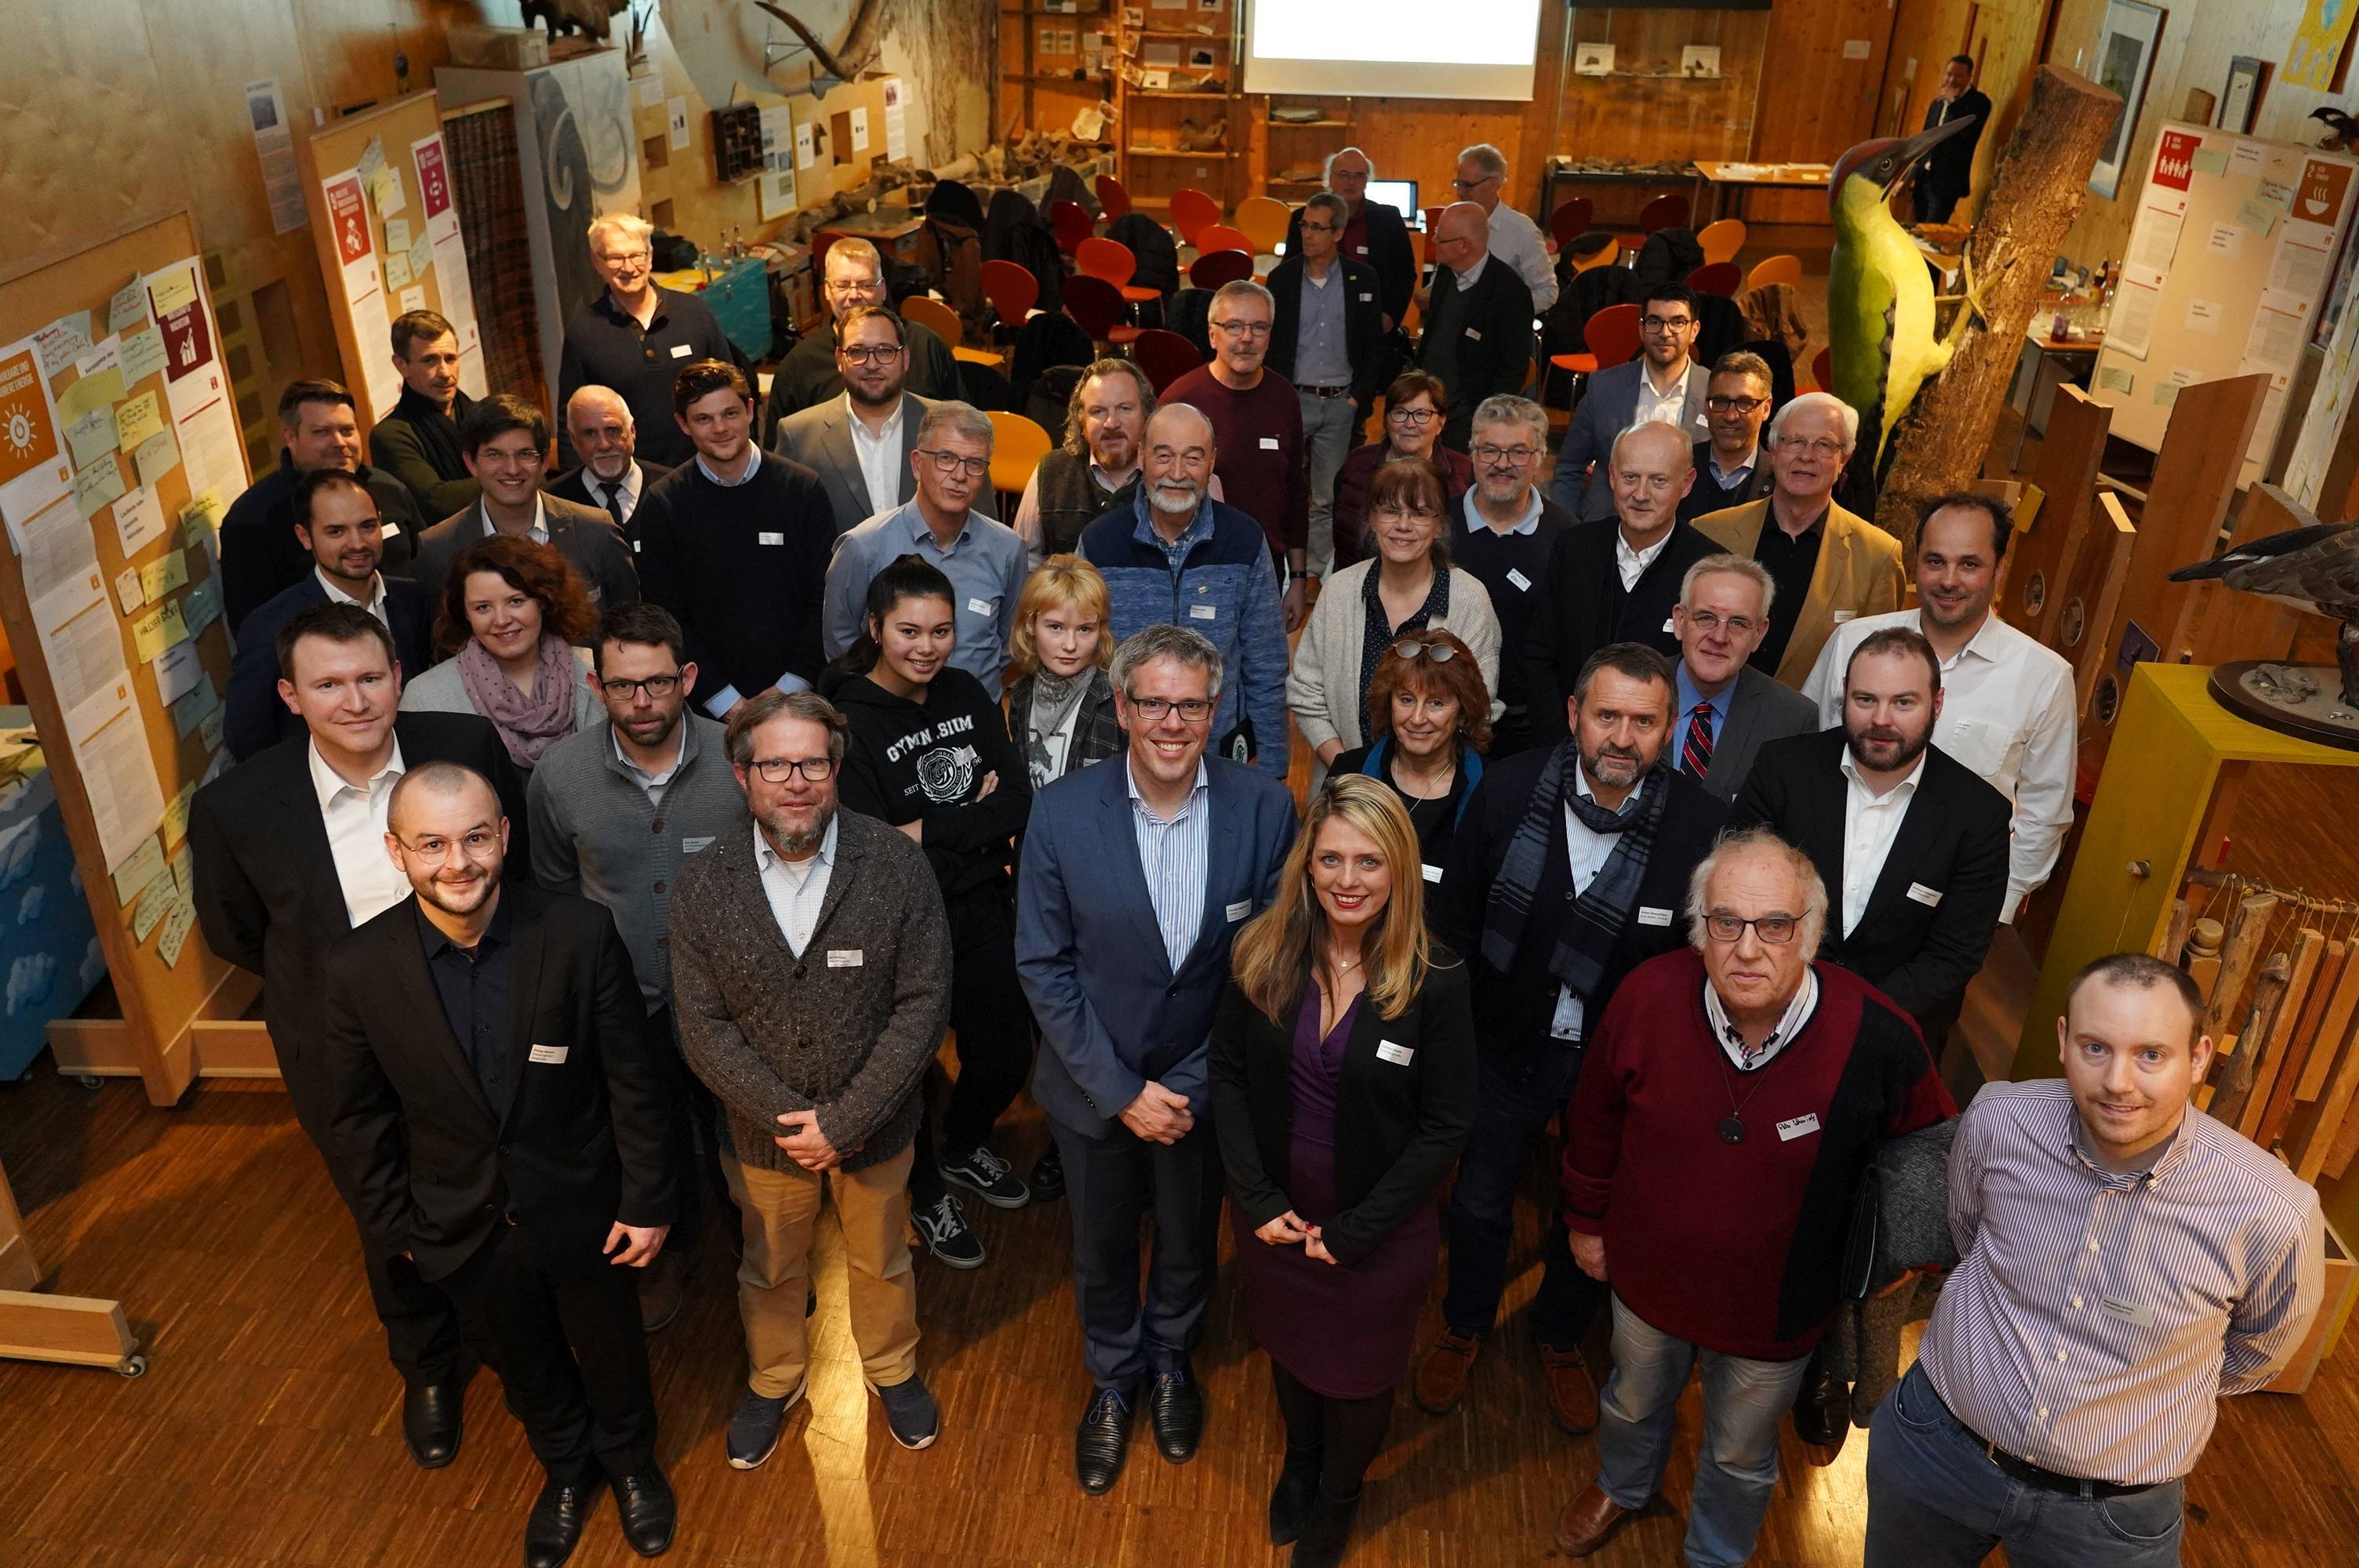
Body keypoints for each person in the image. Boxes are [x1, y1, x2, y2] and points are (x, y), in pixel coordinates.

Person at [190, 603, 528, 1483]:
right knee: (386, 1209)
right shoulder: (238, 804)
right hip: (343, 1051)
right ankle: (425, 1367)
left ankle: (522, 1341)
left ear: (398, 674)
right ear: (289, 695)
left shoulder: (464, 743)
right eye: (327, 684)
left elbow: (513, 868)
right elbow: (236, 932)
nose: (355, 699)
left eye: (370, 676)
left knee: (504, 1179)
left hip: (480, 1013)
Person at [1554, 828, 1954, 1564]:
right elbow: (1593, 1121)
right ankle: (1625, 1482)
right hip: (1648, 1279)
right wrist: (1585, 1223)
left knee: (1740, 1453)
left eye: (1775, 926)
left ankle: (1715, 1553)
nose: (1747, 948)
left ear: (1811, 935)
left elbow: (1931, 1148)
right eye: (1726, 922)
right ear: (1699, 929)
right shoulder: (1646, 997)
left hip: (1778, 1307)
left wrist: (1895, 1259)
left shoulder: (1879, 1035)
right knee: (1632, 1400)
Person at [320, 761, 678, 1568]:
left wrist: (648, 1199)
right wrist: (398, 1232)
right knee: (523, 1363)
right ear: (396, 851)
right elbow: (359, 1121)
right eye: (433, 843)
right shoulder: (355, 970)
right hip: (457, 1224)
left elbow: (633, 1080)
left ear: (505, 837)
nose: (459, 862)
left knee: (614, 1349)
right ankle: (565, 1470)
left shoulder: (579, 933)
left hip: (587, 1209)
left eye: (476, 837)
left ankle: (629, 1466)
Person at [1863, 953, 2325, 1568]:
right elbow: (1968, 1234)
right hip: (1936, 1451)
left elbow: (2256, 1354)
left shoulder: (2273, 1212)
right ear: (2063, 1041)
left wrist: (2150, 1387)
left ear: (2199, 1057)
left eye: (2151, 1055)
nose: (2118, 1082)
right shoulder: (1999, 1120)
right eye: (2096, 1048)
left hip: (2109, 1518)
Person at [1015, 624, 1298, 1495]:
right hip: (1090, 1087)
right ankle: (1113, 1376)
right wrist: (1119, 1090)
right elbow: (1042, 963)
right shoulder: (1061, 812)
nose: (1170, 721)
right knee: (1099, 1248)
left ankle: (1170, 1357)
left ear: (1214, 711)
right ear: (1121, 706)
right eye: (1152, 702)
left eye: (1190, 704)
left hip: (1202, 1090)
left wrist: (1184, 1085)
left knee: (1185, 1239)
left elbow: (1270, 967)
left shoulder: (1266, 807)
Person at [1419, 644, 1728, 1436]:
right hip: (1502, 1045)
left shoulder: (1700, 827)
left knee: (1586, 1212)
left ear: (1667, 730)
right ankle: (1464, 1321)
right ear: (1573, 715)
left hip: (1617, 1069)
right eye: (1606, 715)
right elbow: (1449, 928)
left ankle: (1558, 1333)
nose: (1621, 737)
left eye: (1642, 720)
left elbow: (1703, 969)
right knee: (1482, 1198)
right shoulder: (1505, 791)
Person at [670, 689, 953, 1468]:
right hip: (761, 1139)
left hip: (879, 1127)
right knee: (768, 1265)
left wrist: (848, 1117)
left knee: (884, 1256)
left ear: (834, 768)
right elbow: (701, 1025)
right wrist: (789, 1117)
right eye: (776, 764)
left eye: (813, 762)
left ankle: (891, 1366)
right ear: (742, 774)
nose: (795, 779)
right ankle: (775, 1377)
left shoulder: (895, 863)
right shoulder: (703, 882)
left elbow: (924, 1004)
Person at [1211, 777, 1477, 1567]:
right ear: (1306, 864)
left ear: (1397, 866)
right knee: (1290, 1353)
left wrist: (1356, 1232)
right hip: (1275, 1221)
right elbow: (1225, 1072)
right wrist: (1256, 1198)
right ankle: (1299, 1461)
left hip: (1377, 1233)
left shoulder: (1437, 977)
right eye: (1329, 858)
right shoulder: (1265, 948)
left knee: (1358, 1381)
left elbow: (1446, 1124)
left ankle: (1337, 1492)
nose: (1347, 880)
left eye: (1368, 860)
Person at [527, 601, 750, 1334]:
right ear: (597, 685)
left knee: (741, 1140)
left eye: (657, 682)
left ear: (687, 677)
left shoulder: (742, 759)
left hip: (732, 999)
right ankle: (669, 1257)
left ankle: (765, 1265)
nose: (643, 701)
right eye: (624, 686)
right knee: (646, 1141)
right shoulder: (558, 778)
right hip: (624, 1004)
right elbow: (556, 899)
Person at [822, 555, 1037, 1265]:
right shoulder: (847, 719)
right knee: (905, 1074)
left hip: (980, 904)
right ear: (876, 627)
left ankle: (965, 1145)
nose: (926, 647)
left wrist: (926, 831)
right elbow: (876, 852)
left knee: (1007, 1051)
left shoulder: (967, 692)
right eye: (909, 630)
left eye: (941, 630)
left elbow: (1015, 800)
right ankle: (923, 1192)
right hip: (898, 925)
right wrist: (966, 823)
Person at [1802, 492, 2076, 924]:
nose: (1949, 580)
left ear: (1999, 571)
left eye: (1970, 564)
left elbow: (2045, 811)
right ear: (1917, 564)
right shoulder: (1853, 642)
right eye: (1935, 561)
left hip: (1948, 908)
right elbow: (1807, 757)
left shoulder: (2044, 676)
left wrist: (1993, 908)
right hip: (1823, 888)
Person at [1736, 626, 2011, 1048]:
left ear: (1937, 704)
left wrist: (1844, 1019)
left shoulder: (1978, 815)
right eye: (1866, 699)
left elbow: (1953, 956)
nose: (1881, 719)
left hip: (1893, 1036)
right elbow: (1740, 896)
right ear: (1845, 695)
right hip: (1766, 1014)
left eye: (1904, 702)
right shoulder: (1783, 770)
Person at [1078, 403, 1291, 779]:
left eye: (1193, 458)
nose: (1177, 474)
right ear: (1141, 456)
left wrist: (1272, 770)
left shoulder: (1244, 541)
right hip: (1121, 755)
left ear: (1212, 462)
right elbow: (1081, 660)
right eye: (1164, 456)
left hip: (1221, 756)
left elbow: (1266, 663)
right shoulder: (1100, 543)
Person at [634, 359, 835, 723]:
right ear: (683, 424)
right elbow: (667, 615)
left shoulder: (803, 489)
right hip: (707, 711)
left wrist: (788, 690)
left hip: (804, 699)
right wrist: (726, 703)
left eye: (730, 413)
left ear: (751, 410)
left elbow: (824, 596)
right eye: (704, 419)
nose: (721, 428)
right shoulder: (663, 505)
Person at [1288, 458, 1500, 782]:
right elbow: (1306, 694)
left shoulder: (1469, 599)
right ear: (1371, 519)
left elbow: (1477, 706)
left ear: (1440, 524)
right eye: (1390, 511)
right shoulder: (1338, 592)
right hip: (1346, 787)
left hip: (1436, 792)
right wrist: (1353, 771)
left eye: (1419, 513)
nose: (1403, 525)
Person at [1525, 422, 1719, 746]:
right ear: (1612, 477)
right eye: (1630, 478)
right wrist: (1562, 744)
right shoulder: (1574, 548)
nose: (1641, 495)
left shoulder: (1709, 568)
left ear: (1686, 484)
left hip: (1661, 760)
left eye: (1659, 481)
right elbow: (1541, 655)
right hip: (1567, 746)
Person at [1693, 391, 1905, 686]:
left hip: (1813, 725)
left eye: (1824, 445)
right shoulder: (1709, 532)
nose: (1807, 456)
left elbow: (1879, 671)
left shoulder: (1877, 556)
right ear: (1773, 448)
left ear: (1844, 459)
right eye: (1795, 441)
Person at [227, 469, 435, 762]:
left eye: (367, 526)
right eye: (336, 531)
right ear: (305, 537)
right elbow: (248, 737)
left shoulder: (413, 598)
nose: (357, 543)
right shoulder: (269, 625)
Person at [822, 401, 1028, 688]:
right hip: (889, 719)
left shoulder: (1008, 549)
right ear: (917, 464)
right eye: (946, 458)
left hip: (974, 718)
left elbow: (1008, 645)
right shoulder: (863, 547)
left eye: (975, 463)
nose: (959, 475)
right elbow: (840, 645)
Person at [1163, 281, 1312, 631]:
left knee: (1261, 673)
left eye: (1258, 327)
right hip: (1196, 568)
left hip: (1266, 570)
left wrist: (1299, 579)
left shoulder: (1284, 397)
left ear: (1269, 336)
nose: (1247, 338)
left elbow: (1295, 491)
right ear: (1213, 335)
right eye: (1234, 327)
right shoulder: (1181, 400)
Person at [222, 378, 423, 631]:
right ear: (290, 437)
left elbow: (426, 568)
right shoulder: (252, 519)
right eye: (322, 432)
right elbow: (251, 625)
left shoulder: (391, 489)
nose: (339, 442)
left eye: (347, 430)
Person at [409, 394, 640, 611]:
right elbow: (440, 643)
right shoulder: (438, 548)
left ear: (544, 462)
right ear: (471, 463)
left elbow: (629, 629)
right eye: (495, 455)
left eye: (525, 454)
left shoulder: (596, 531)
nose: (512, 469)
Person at [400, 536, 602, 771]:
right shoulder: (425, 697)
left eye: (515, 601)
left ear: (544, 602)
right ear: (465, 614)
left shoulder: (595, 671)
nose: (502, 620)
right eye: (483, 607)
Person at [557, 212, 738, 470]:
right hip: (630, 479)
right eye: (615, 257)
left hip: (704, 467)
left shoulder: (694, 312)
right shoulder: (584, 331)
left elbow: (731, 388)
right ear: (597, 262)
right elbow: (570, 418)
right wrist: (575, 489)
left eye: (636, 255)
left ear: (650, 256)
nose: (628, 268)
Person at [1267, 193, 1386, 580]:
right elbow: (1271, 342)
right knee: (1280, 489)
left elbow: (1373, 347)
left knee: (1325, 497)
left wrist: (1358, 399)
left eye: (1317, 227)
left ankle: (1315, 574)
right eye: (1304, 225)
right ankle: (1276, 569)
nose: (1307, 234)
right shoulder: (1282, 278)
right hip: (1292, 399)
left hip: (1338, 403)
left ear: (1337, 232)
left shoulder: (1362, 280)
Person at [1448, 395, 1572, 760]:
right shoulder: (1436, 525)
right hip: (1440, 723)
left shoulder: (1567, 538)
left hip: (1531, 733)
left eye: (1518, 452)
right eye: (1490, 450)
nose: (1502, 464)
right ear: (1472, 454)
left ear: (1539, 458)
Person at [1327, 629, 1492, 890]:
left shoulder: (1492, 789)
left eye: (1436, 703)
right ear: (1388, 703)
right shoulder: (1349, 772)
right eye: (1406, 700)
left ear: (1463, 712)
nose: (1416, 718)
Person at [761, 237, 959, 441]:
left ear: (882, 289)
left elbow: (963, 424)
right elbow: (779, 455)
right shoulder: (799, 365)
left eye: (865, 284)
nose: (854, 295)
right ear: (827, 291)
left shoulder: (926, 346)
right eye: (843, 285)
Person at [772, 304, 939, 536]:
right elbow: (784, 529)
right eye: (858, 352)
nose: (872, 364)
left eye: (885, 350)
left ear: (905, 358)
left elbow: (981, 529)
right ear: (840, 359)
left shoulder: (946, 425)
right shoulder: (798, 436)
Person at [1552, 285, 1712, 523]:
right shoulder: (1604, 387)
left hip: (1686, 528)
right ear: (1641, 329)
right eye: (1655, 322)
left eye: (1678, 322)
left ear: (1694, 330)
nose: (1665, 332)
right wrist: (1569, 529)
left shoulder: (1714, 392)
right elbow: (1569, 466)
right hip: (1606, 523)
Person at [1666, 554, 1817, 804]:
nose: (1719, 636)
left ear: (1759, 634)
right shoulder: (1631, 689)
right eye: (1706, 618)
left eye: (1738, 623)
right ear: (1680, 621)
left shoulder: (1793, 720)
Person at [1015, 359, 1157, 567]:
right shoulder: (1051, 472)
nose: (1111, 423)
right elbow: (1024, 563)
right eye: (1098, 411)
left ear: (1146, 415)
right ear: (1081, 421)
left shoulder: (1169, 472)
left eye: (1124, 409)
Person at [1418, 202, 1534, 455]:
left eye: (1440, 238)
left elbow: (1513, 368)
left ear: (1464, 246)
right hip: (1428, 408)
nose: (1434, 241)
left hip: (1468, 418)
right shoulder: (1447, 275)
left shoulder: (1510, 292)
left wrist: (1484, 419)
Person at [1331, 372, 1473, 570]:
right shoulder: (1357, 463)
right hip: (1358, 585)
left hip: (1438, 590)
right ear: (1387, 420)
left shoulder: (1464, 471)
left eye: (1422, 414)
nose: (1409, 423)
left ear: (1441, 422)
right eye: (1400, 412)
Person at [1007, 554, 1123, 794]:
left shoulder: (1117, 698)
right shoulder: (1020, 694)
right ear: (1030, 624)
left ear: (1100, 630)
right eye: (1056, 627)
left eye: (1084, 629)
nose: (1070, 645)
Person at [1281, 147, 1418, 335]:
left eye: (1359, 175)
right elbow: (1291, 270)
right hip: (1315, 321)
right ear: (1330, 178)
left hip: (1370, 322)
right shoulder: (1303, 218)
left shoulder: (1388, 219)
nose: (1351, 182)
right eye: (1344, 174)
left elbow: (1405, 274)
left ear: (1368, 180)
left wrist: (1391, 315)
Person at [368, 309, 480, 518]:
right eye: (430, 361)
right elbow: (436, 502)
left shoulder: (483, 414)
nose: (445, 373)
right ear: (402, 365)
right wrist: (507, 476)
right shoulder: (391, 435)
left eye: (451, 358)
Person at [547, 385, 673, 543]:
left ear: (632, 430)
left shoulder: (674, 489)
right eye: (590, 434)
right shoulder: (553, 504)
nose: (604, 445)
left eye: (612, 430)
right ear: (573, 440)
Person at [1451, 143, 1556, 314]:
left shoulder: (1522, 230)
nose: (1460, 193)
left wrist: (1504, 312)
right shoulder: (1455, 222)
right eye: (1458, 184)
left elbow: (1547, 292)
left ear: (1494, 184)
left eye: (1468, 185)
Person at [1679, 351, 1777, 525]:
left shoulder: (1781, 479)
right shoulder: (1678, 468)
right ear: (1706, 407)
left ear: (1766, 408)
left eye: (1745, 403)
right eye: (1721, 402)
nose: (1731, 416)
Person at [1913, 55, 1992, 225]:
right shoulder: (1938, 103)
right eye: (1949, 74)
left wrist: (1953, 102)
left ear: (1969, 77)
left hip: (1946, 183)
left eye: (1958, 76)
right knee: (1915, 229)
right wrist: (1911, 174)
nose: (1951, 80)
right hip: (1924, 176)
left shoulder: (1979, 103)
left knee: (1930, 232)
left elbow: (1967, 136)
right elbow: (1926, 137)